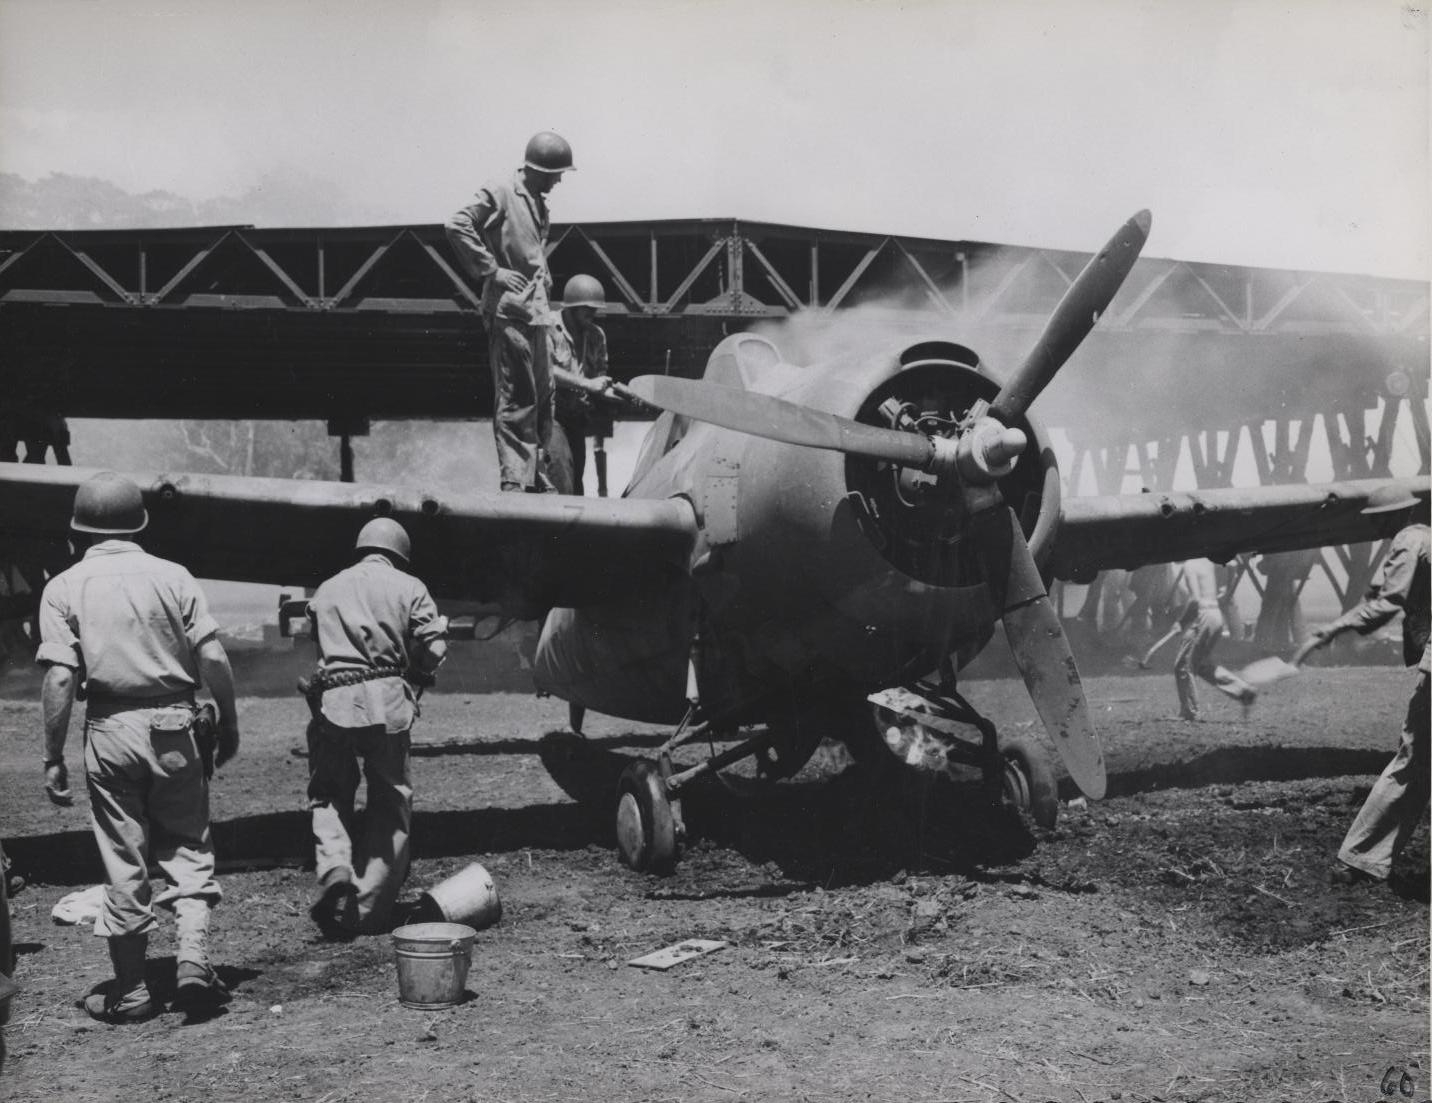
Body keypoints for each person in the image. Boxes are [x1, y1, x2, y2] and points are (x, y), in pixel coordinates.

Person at [37, 472, 240, 1023]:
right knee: (189, 848)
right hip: (177, 723)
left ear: (79, 529)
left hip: (108, 727)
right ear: (140, 524)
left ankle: (132, 991)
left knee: (124, 859)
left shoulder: (63, 586)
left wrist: (53, 754)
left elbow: (60, 678)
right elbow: (214, 657)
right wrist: (231, 720)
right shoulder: (174, 577)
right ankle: (193, 964)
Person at [305, 518, 447, 937]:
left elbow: (323, 650)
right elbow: (433, 649)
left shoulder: (327, 589)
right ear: (399, 553)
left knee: (328, 794)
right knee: (389, 804)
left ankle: (334, 866)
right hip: (388, 705)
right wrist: (422, 663)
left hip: (333, 704)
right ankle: (365, 913)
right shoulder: (410, 587)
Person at [1293, 485, 1428, 886]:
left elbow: (1388, 602)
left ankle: (1362, 858)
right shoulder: (1423, 537)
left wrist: (1331, 629)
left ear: (1394, 516)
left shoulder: (1408, 539)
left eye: (1380, 521)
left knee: (1414, 759)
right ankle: (1365, 857)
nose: (1377, 529)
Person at [445, 131, 575, 493]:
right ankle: (516, 479)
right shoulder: (502, 190)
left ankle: (536, 476)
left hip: (534, 312)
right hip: (509, 310)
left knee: (543, 396)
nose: (559, 180)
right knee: (516, 396)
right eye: (556, 173)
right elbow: (457, 224)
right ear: (538, 169)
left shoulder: (537, 202)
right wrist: (492, 269)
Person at [1139, 558, 1256, 720]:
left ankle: (1190, 711)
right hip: (1215, 615)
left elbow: (1194, 599)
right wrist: (1226, 590)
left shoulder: (1189, 565)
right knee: (1200, 665)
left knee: (1183, 665)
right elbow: (1233, 564)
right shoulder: (1207, 561)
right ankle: (1243, 691)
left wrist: (1181, 622)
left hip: (1203, 616)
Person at [551, 273, 613, 496]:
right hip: (551, 417)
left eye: (595, 309)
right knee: (561, 479)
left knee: (576, 485)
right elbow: (545, 371)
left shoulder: (597, 336)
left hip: (576, 420)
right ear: (571, 308)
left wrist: (625, 396)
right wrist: (588, 384)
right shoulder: (547, 326)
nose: (593, 314)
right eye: (588, 309)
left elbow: (600, 379)